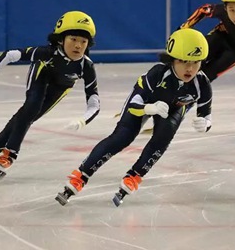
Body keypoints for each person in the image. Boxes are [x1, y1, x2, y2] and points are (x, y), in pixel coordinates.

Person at [55, 28, 212, 207]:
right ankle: (81, 176)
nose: (190, 68)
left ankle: (135, 175)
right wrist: (149, 108)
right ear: (172, 59)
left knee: (164, 136)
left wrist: (205, 123)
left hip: (173, 108)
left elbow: (206, 113)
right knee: (122, 137)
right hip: (145, 101)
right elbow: (134, 105)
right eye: (183, 61)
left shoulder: (202, 83)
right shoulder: (158, 73)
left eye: (195, 62)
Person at [0, 11, 100, 182]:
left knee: (23, 118)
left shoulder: (86, 66)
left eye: (83, 41)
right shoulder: (48, 53)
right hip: (41, 75)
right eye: (73, 39)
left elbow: (94, 103)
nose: (78, 46)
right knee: (31, 107)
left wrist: (83, 120)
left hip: (60, 87)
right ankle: (11, 153)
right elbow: (10, 55)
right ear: (60, 39)